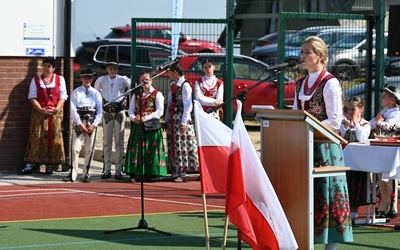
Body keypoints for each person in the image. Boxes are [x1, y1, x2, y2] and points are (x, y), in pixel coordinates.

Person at [293, 36, 353, 249]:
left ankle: (331, 245)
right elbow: (295, 113)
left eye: (307, 52)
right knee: (306, 193)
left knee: (328, 193)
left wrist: (306, 124)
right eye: (302, 51)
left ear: (320, 56)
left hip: (325, 147)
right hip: (304, 145)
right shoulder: (300, 83)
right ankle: (303, 238)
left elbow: (335, 120)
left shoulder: (330, 83)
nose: (302, 56)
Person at [21, 57, 68, 175]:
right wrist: (41, 110)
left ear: (53, 68)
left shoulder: (60, 79)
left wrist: (56, 108)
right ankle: (30, 164)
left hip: (55, 113)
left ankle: (50, 165)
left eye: (49, 66)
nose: (46, 68)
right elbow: (32, 97)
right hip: (39, 113)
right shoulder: (36, 80)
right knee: (37, 136)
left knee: (53, 138)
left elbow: (63, 96)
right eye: (44, 65)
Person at [125, 70, 167, 181]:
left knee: (151, 148)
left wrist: (146, 118)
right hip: (138, 125)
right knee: (138, 149)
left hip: (151, 126)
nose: (145, 82)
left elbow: (159, 111)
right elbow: (131, 110)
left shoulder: (157, 94)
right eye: (142, 80)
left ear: (151, 80)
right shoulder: (137, 95)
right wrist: (134, 118)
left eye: (147, 80)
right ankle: (137, 172)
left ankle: (150, 172)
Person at [94, 60, 131, 180]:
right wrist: (101, 100)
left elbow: (131, 87)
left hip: (119, 110)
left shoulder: (122, 79)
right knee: (107, 141)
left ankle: (119, 169)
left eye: (114, 68)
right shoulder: (102, 80)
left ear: (117, 69)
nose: (112, 71)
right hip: (107, 111)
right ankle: (107, 169)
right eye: (110, 68)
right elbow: (96, 91)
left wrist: (126, 98)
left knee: (119, 141)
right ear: (107, 69)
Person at [64, 68, 103, 183]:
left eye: (89, 77)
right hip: (79, 121)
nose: (87, 79)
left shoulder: (96, 93)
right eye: (85, 77)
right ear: (81, 79)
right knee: (75, 148)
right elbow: (73, 109)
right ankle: (73, 173)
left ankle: (86, 173)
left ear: (92, 79)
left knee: (89, 149)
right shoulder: (76, 92)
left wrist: (94, 125)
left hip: (91, 121)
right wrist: (79, 123)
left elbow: (100, 111)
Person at [369, 85, 400, 218]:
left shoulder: (397, 113)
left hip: (392, 150)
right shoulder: (385, 111)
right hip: (383, 148)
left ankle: (391, 205)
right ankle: (383, 205)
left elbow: (390, 127)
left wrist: (378, 122)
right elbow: (371, 123)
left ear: (393, 99)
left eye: (384, 96)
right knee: (382, 179)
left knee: (390, 177)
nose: (381, 98)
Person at [165, 63, 199, 182]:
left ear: (175, 72)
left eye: (169, 72)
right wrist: (167, 118)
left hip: (181, 118)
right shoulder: (172, 85)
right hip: (173, 119)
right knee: (173, 144)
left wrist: (184, 122)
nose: (168, 74)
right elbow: (170, 102)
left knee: (182, 144)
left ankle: (183, 171)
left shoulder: (185, 86)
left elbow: (188, 105)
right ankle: (174, 169)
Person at [339, 96, 371, 220]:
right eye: (348, 109)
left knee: (357, 185)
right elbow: (340, 135)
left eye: (353, 109)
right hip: (345, 159)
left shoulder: (365, 125)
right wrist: (345, 127)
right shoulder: (345, 123)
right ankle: (344, 211)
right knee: (345, 184)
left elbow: (362, 138)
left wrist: (356, 124)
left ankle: (354, 213)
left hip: (358, 162)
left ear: (361, 109)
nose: (350, 112)